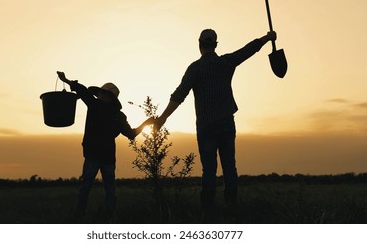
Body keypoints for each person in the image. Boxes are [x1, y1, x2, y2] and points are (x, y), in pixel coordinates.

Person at [154, 29, 277, 221]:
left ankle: (208, 211)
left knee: (209, 170)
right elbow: (247, 50)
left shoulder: (195, 68)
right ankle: (231, 206)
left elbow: (179, 95)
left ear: (199, 44)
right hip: (227, 124)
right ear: (216, 45)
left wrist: (163, 118)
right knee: (230, 167)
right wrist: (267, 38)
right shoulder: (226, 62)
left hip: (206, 127)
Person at [57, 71, 153, 222]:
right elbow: (131, 134)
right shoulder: (117, 115)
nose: (99, 95)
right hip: (105, 156)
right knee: (108, 189)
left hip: (95, 155)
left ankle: (81, 215)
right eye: (99, 93)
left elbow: (81, 90)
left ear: (109, 96)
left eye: (101, 93)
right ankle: (106, 216)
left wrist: (66, 80)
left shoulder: (95, 106)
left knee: (88, 187)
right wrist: (146, 124)